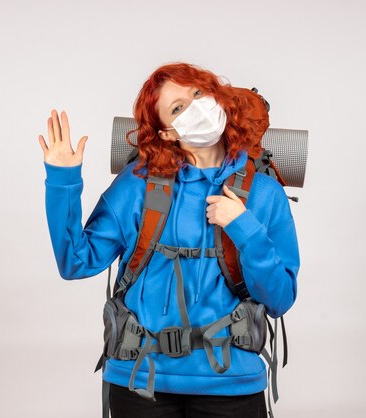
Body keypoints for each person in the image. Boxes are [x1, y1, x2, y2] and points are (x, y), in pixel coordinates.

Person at [38, 62, 300, 418]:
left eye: (198, 93)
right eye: (178, 108)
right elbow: (75, 261)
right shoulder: (137, 183)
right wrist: (63, 180)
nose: (196, 107)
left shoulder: (265, 192)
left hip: (232, 384)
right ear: (166, 134)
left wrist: (243, 226)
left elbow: (279, 299)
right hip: (140, 382)